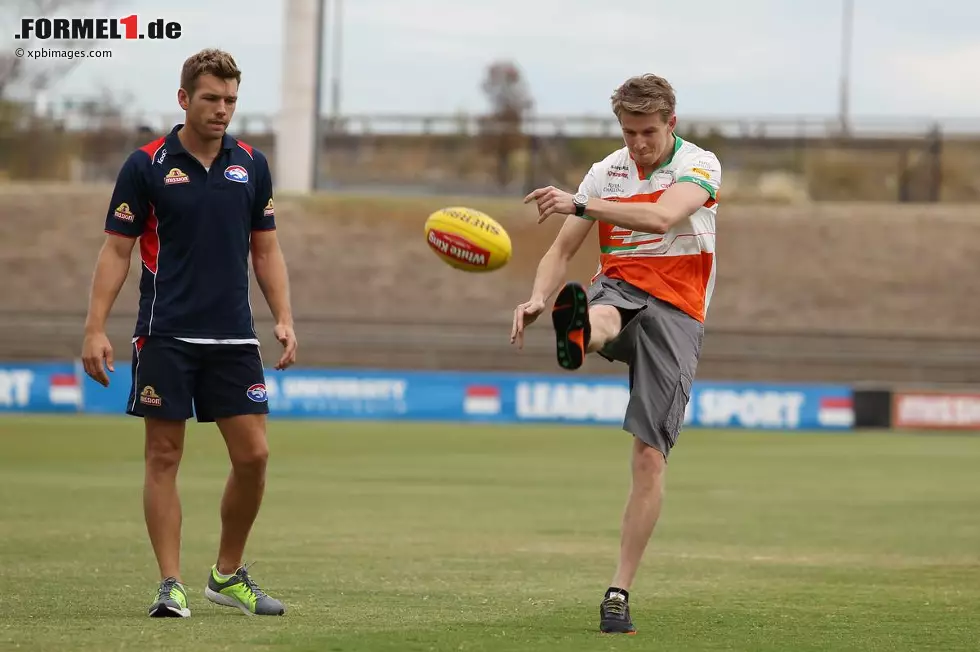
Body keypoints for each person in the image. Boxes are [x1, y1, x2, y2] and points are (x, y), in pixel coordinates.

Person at [81, 48, 297, 618]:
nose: (222, 109)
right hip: (165, 334)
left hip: (234, 336)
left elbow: (267, 249)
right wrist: (95, 327)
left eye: (230, 100)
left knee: (254, 456)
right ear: (183, 99)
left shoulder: (251, 164)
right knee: (163, 455)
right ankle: (170, 584)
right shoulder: (146, 165)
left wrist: (284, 316)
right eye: (211, 98)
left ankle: (226, 576)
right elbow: (116, 250)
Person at [511, 73, 722, 635]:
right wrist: (538, 297)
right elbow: (562, 249)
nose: (637, 144)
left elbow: (660, 217)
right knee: (603, 312)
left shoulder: (701, 165)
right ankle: (580, 331)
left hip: (679, 310)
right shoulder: (606, 173)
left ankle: (617, 592)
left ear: (671, 124)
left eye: (648, 132)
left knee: (649, 459)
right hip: (622, 288)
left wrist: (581, 203)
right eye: (628, 132)